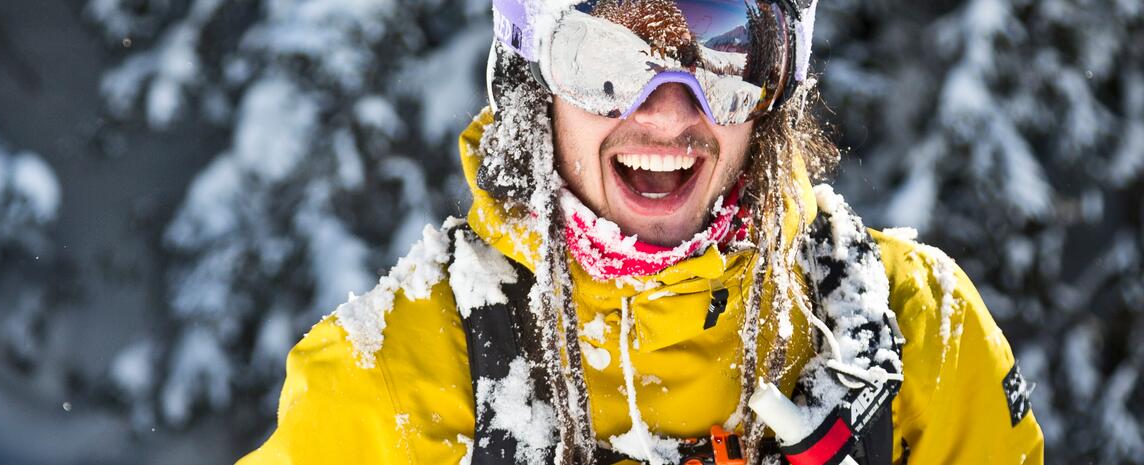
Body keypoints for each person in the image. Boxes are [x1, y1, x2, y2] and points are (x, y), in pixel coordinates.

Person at [240, 0, 1045, 463]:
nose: (668, 110)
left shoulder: (910, 335)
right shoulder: (387, 384)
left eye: (726, 54)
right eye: (607, 57)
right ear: (534, 75)